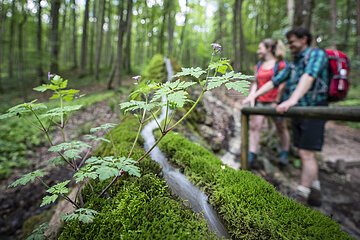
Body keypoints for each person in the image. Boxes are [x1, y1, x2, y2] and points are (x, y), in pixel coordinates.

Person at [242, 27, 329, 207]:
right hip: (298, 111)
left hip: (314, 109)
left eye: (292, 42)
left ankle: (302, 194)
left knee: (306, 153)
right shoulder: (293, 63)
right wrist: (253, 95)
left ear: (304, 39)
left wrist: (292, 99)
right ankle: (316, 190)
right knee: (305, 152)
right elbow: (276, 80)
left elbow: (309, 76)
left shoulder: (317, 55)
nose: (289, 46)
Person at [244, 39, 290, 169]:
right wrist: (251, 97)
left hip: (275, 102)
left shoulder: (280, 64)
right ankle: (252, 154)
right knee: (255, 127)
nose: (258, 51)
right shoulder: (259, 65)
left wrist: (277, 100)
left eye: (260, 48)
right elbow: (255, 83)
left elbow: (282, 83)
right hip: (260, 101)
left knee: (281, 127)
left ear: (269, 48)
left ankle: (284, 152)